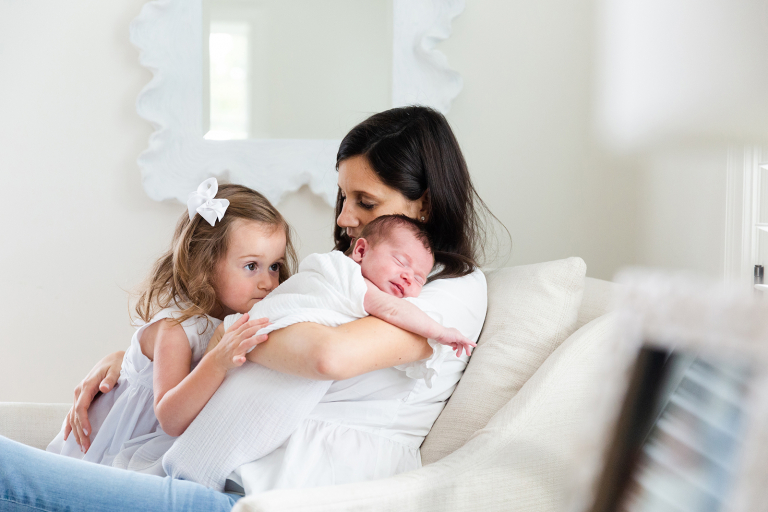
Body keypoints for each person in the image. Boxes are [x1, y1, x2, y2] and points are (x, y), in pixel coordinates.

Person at [0, 106, 492, 511]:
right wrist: (134, 358)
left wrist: (226, 337)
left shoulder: (449, 292)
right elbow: (253, 334)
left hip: (260, 496)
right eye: (343, 197)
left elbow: (326, 355)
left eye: (364, 201)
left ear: (423, 204)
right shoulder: (346, 272)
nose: (344, 218)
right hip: (215, 469)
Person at [162, 214, 476, 490]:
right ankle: (196, 470)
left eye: (419, 278)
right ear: (362, 251)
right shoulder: (348, 277)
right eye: (400, 262)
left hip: (278, 366)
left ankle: (197, 471)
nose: (409, 277)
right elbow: (392, 311)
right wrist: (439, 331)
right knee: (239, 409)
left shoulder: (457, 289)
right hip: (260, 347)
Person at [45, 178, 296, 475]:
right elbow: (170, 418)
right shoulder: (176, 328)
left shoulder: (240, 320)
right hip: (112, 445)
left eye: (275, 266)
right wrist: (216, 362)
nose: (268, 282)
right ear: (206, 263)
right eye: (251, 266)